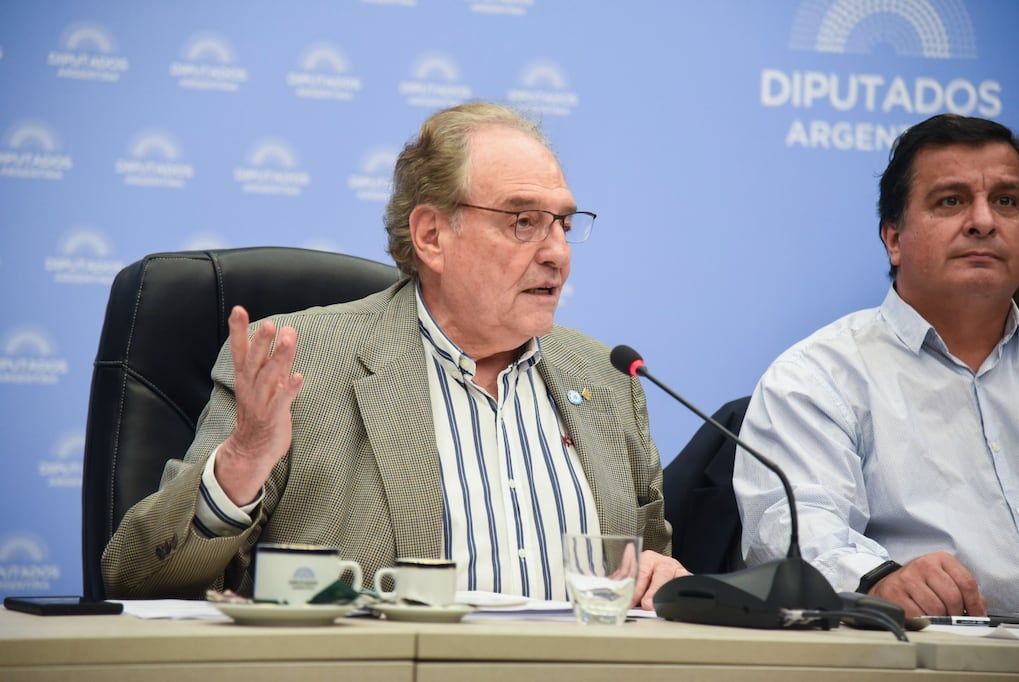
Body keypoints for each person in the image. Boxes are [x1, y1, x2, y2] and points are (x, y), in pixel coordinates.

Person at [102, 102, 686, 609]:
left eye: (562, 223)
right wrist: (243, 463)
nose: (557, 253)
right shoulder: (297, 364)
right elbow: (137, 577)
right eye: (524, 222)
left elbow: (648, 569)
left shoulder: (607, 379)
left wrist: (662, 578)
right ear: (432, 235)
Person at [733, 113, 1019, 617]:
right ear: (893, 238)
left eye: (1007, 201)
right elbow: (793, 530)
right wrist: (880, 581)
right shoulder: (817, 377)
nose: (984, 221)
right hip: (921, 654)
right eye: (951, 201)